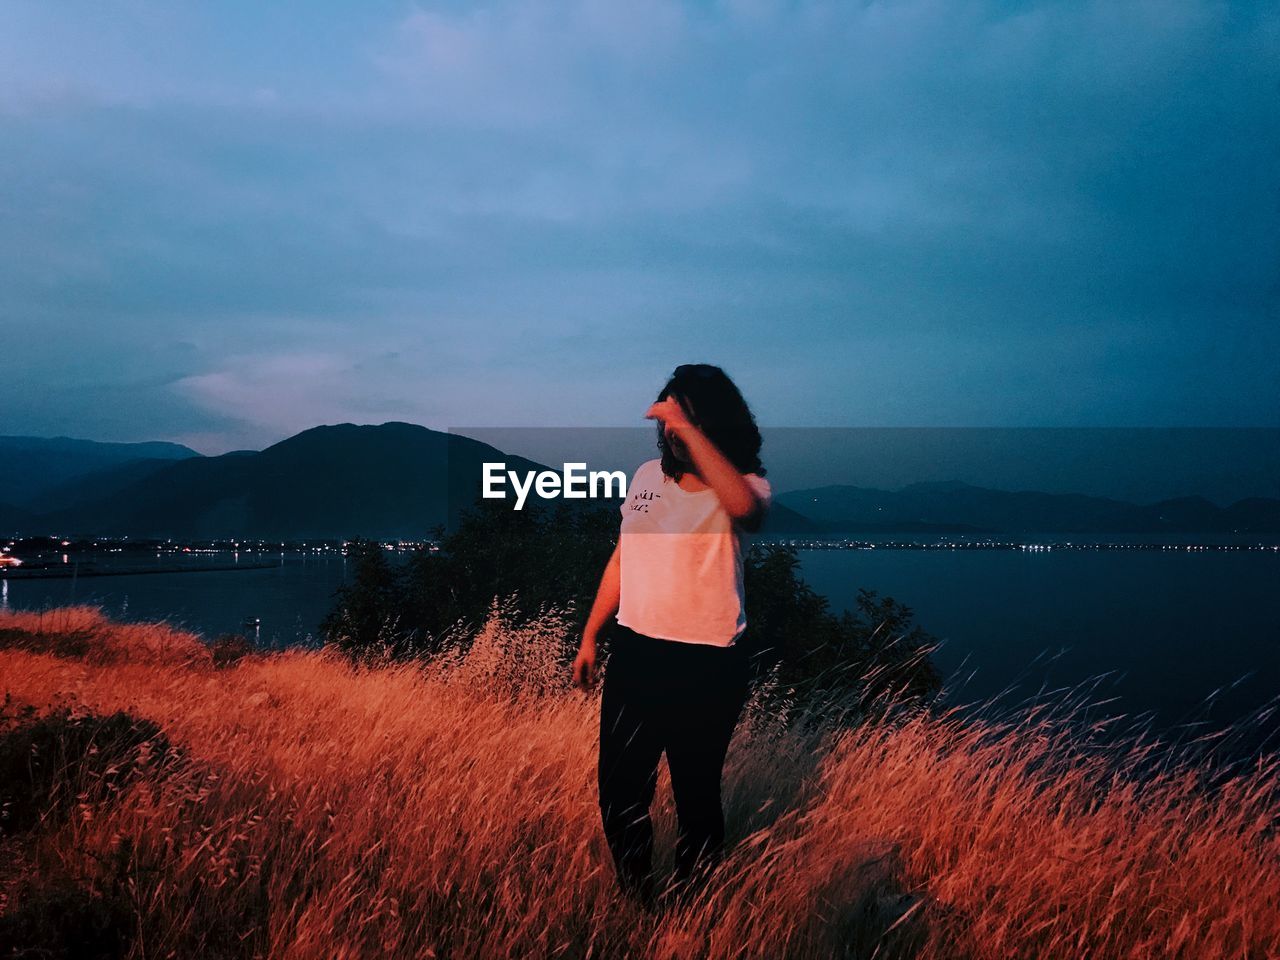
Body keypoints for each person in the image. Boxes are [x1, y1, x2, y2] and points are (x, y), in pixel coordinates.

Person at [572, 363, 772, 908]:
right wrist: (591, 633)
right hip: (637, 653)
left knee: (696, 799)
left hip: (709, 663)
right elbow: (623, 556)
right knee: (619, 790)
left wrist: (688, 430)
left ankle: (690, 908)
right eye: (665, 420)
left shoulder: (746, 483)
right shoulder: (644, 478)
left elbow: (746, 512)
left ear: (708, 423)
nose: (668, 431)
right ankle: (641, 902)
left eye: (681, 420)